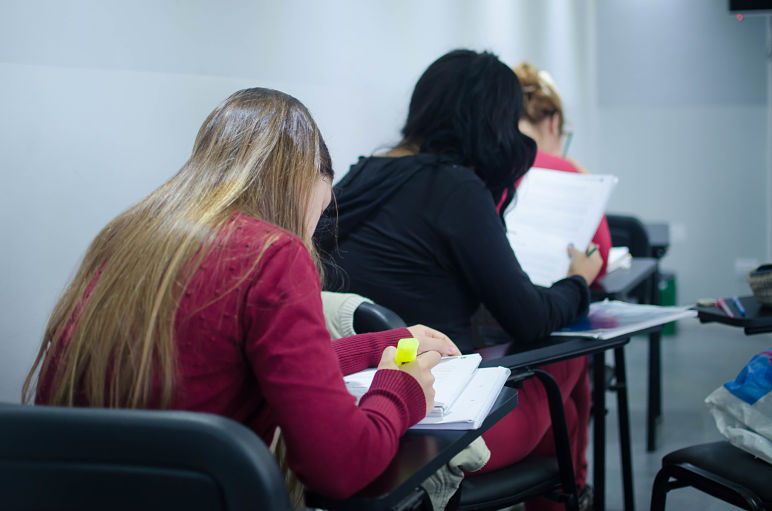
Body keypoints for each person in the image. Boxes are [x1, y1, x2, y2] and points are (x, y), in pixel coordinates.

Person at [22, 87, 462, 506]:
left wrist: (378, 345)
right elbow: (341, 467)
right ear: (307, 181)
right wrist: (400, 390)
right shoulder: (273, 254)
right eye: (321, 212)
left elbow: (231, 366)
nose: (311, 230)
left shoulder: (127, 234)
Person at [317, 50, 601, 510]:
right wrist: (578, 281)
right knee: (570, 361)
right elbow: (529, 317)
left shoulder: (364, 172)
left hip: (358, 400)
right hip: (435, 420)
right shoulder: (453, 186)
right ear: (495, 123)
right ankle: (574, 494)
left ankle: (570, 490)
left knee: (559, 409)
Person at [513, 61, 612, 277]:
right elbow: (599, 259)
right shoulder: (565, 171)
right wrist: (585, 179)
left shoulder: (486, 164)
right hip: (552, 303)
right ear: (554, 123)